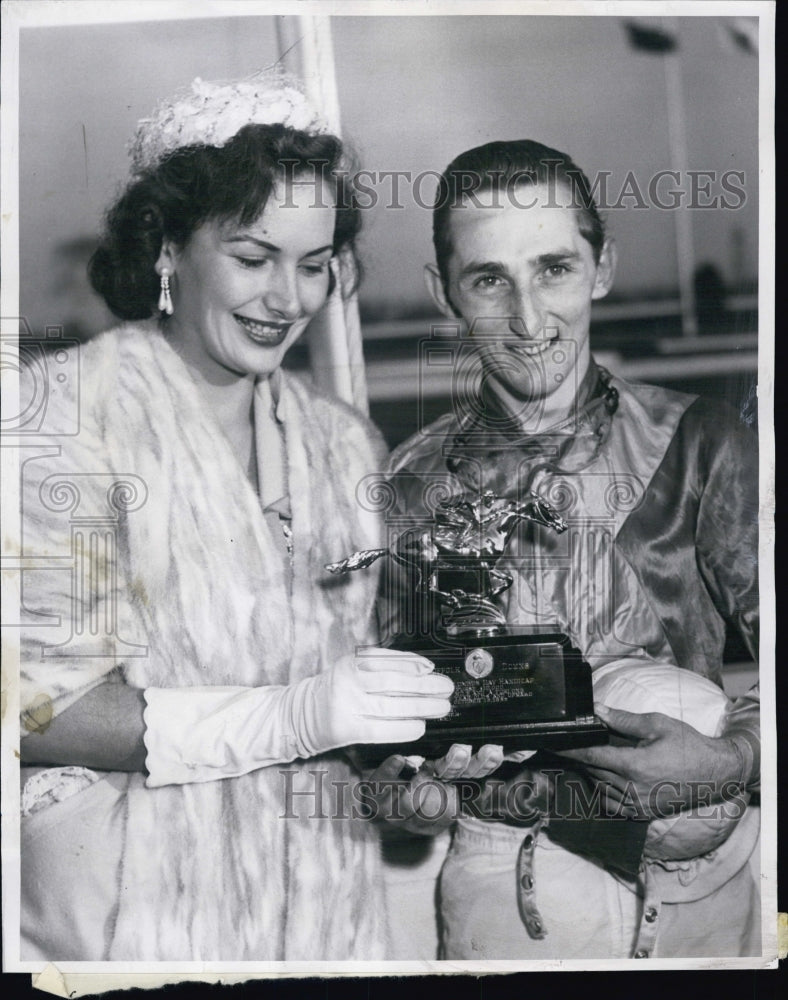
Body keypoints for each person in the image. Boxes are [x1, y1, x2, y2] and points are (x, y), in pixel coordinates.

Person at [17, 71, 453, 962]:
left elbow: (344, 704)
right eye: (254, 258)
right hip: (133, 917)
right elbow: (35, 707)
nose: (287, 299)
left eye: (313, 262)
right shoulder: (57, 416)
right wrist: (290, 718)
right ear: (168, 249)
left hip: (329, 914)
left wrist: (408, 780)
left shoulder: (342, 443)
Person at [374, 139, 761, 959]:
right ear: (443, 292)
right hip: (509, 895)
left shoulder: (704, 440)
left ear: (602, 266)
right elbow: (380, 755)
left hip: (708, 894)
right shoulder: (407, 484)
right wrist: (412, 786)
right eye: (489, 280)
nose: (527, 319)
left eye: (553, 268)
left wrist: (734, 759)